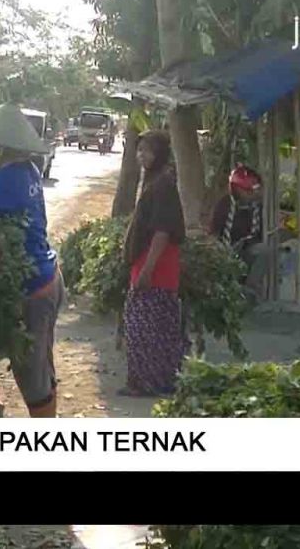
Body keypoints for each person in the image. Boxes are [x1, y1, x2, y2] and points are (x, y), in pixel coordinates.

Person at [0, 102, 64, 418]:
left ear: (1, 147)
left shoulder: (7, 180)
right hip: (48, 275)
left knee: (30, 373)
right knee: (41, 365)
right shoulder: (28, 169)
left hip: (33, 288)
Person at [120, 130, 189, 397]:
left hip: (158, 265)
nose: (142, 155)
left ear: (159, 153)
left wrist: (148, 270)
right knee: (144, 327)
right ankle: (143, 382)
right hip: (147, 261)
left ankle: (152, 383)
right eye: (139, 150)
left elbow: (162, 231)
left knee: (147, 328)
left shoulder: (163, 185)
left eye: (147, 151)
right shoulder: (153, 181)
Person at [210, 164, 269, 300]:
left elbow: (260, 233)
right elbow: (214, 233)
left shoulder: (258, 208)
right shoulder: (224, 205)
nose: (253, 194)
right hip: (227, 249)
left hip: (249, 250)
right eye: (249, 191)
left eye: (255, 190)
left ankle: (250, 290)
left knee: (265, 250)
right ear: (237, 189)